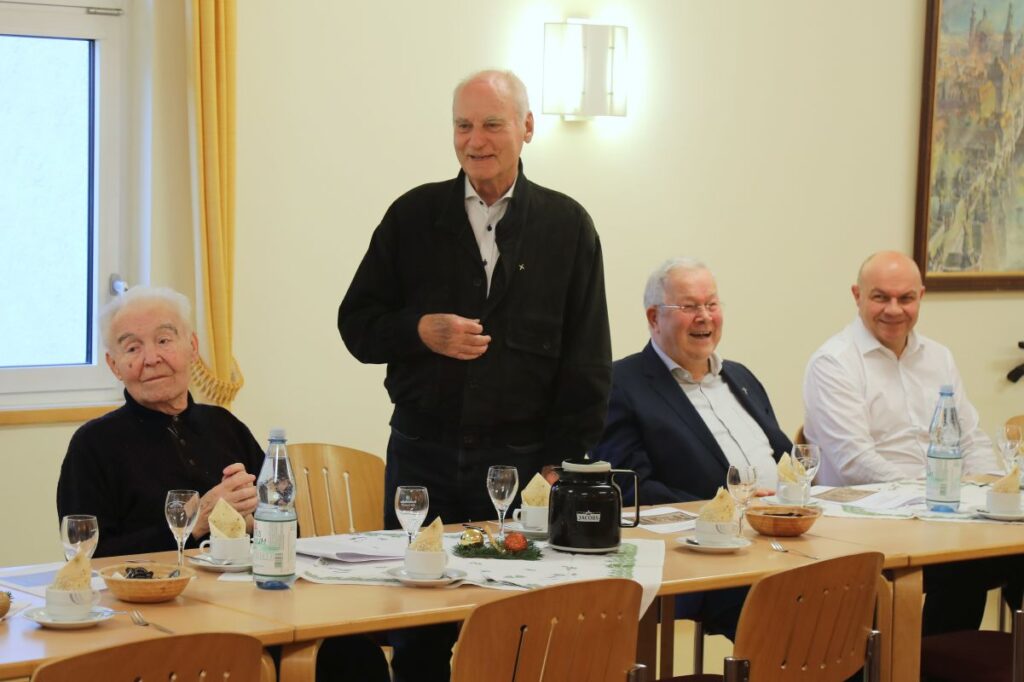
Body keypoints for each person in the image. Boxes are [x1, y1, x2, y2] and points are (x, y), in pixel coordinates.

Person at [338, 69, 611, 682]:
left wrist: (561, 462)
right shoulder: (412, 216)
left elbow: (589, 358)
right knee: (419, 627)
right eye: (463, 125)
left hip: (521, 461)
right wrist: (419, 332)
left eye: (492, 124)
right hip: (422, 456)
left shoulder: (567, 226)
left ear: (527, 129)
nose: (476, 140)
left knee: (516, 625)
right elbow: (355, 325)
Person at [57, 285, 389, 682]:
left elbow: (290, 529)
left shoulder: (225, 427)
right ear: (113, 365)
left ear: (192, 347)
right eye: (131, 349)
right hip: (152, 622)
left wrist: (254, 521)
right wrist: (195, 520)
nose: (151, 358)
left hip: (254, 608)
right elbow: (87, 558)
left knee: (353, 655)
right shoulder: (93, 445)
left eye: (164, 340)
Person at [803, 251, 1019, 636]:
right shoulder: (833, 362)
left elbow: (971, 438)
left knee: (1009, 557)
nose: (893, 310)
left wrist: (988, 489)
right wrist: (935, 494)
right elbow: (855, 462)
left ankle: (948, 660)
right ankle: (922, 664)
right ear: (857, 295)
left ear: (921, 296)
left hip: (947, 519)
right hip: (867, 525)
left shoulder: (938, 357)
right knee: (961, 570)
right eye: (880, 297)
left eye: (905, 298)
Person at [593, 257, 791, 640]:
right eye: (689, 307)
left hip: (780, 540)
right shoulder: (621, 384)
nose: (705, 317)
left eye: (711, 304)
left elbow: (786, 458)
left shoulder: (741, 376)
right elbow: (633, 490)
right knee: (802, 614)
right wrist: (726, 511)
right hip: (709, 559)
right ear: (654, 318)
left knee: (865, 594)